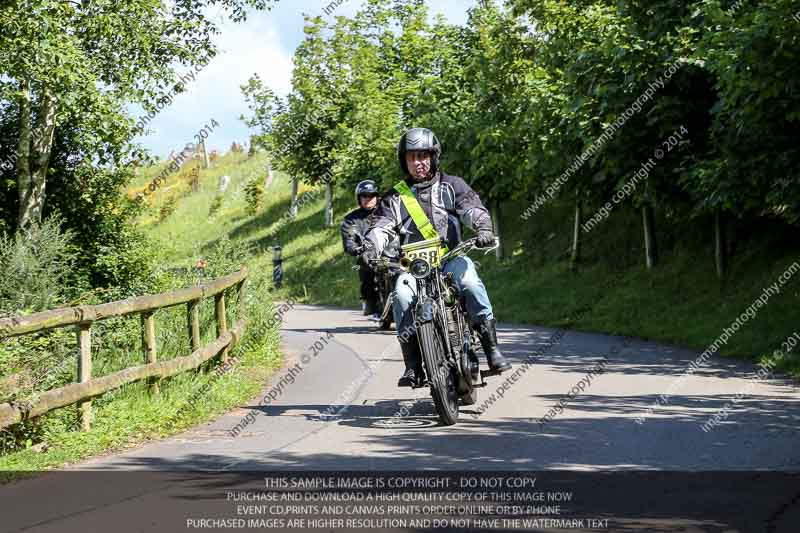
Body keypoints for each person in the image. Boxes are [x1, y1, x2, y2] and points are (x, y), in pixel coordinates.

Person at [361, 127, 511, 387]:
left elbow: (472, 209)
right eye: (411, 157)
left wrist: (483, 227)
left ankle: (491, 349)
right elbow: (381, 227)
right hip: (412, 267)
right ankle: (413, 366)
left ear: (433, 156)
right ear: (403, 161)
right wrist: (371, 247)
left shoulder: (452, 185)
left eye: (423, 156)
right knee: (402, 296)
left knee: (471, 285)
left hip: (450, 258)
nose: (418, 163)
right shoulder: (394, 197)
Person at [341, 180, 382, 318]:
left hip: (390, 251)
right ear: (359, 198)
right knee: (365, 264)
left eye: (371, 195)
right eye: (364, 196)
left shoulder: (386, 211)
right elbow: (349, 239)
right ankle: (371, 302)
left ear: (377, 196)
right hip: (368, 253)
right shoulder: (351, 219)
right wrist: (354, 247)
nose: (368, 199)